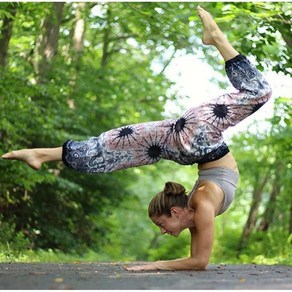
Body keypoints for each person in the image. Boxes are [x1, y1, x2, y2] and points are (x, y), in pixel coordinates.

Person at [2, 7, 272, 271]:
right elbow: (198, 262)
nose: (163, 231)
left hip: (195, 142)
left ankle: (42, 154)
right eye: (161, 226)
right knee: (116, 146)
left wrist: (151, 266)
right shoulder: (199, 208)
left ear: (176, 212)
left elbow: (197, 262)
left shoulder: (199, 206)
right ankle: (216, 37)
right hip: (193, 139)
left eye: (160, 225)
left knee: (116, 148)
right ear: (177, 212)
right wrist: (154, 266)